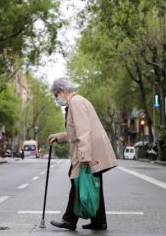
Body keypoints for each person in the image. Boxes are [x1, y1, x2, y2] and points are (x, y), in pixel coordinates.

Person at [48, 77, 118, 231]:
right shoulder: (76, 102)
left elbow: (83, 130)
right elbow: (74, 132)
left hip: (91, 152)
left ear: (63, 91)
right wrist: (59, 137)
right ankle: (99, 221)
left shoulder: (76, 103)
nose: (56, 99)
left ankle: (70, 220)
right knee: (91, 185)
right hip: (94, 151)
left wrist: (84, 156)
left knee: (77, 182)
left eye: (56, 95)